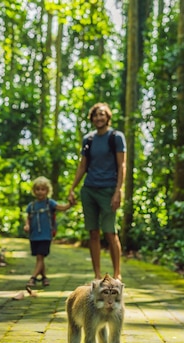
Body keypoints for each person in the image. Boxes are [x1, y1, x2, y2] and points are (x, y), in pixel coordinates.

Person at [67, 102, 126, 280]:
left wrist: (118, 191)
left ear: (108, 117)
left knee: (110, 232)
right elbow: (83, 166)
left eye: (102, 114)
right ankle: (97, 275)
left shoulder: (116, 137)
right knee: (93, 232)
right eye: (95, 115)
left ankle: (117, 274)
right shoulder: (89, 140)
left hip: (108, 190)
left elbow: (121, 165)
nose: (98, 118)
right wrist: (72, 188)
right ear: (91, 119)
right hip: (89, 189)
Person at [23, 176, 72, 287]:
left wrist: (70, 204)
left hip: (46, 235)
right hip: (34, 235)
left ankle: (33, 278)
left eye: (43, 189)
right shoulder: (32, 205)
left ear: (47, 191)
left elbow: (62, 207)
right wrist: (27, 225)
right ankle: (44, 277)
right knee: (39, 257)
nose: (40, 192)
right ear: (34, 191)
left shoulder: (49, 203)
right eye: (37, 189)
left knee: (40, 256)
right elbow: (28, 217)